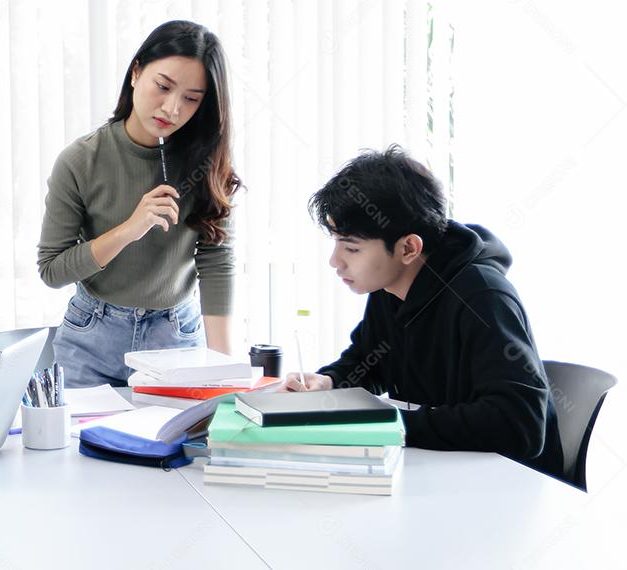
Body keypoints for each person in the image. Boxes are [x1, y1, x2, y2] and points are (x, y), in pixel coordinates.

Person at [282, 145, 563, 477]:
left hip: (509, 481)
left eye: (351, 248)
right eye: (336, 243)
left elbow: (519, 424)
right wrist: (330, 382)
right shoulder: (390, 287)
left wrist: (389, 423)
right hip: (446, 470)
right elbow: (370, 362)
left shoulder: (483, 298)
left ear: (409, 248)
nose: (335, 261)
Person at [37, 20, 242, 388]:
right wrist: (129, 230)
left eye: (191, 98)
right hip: (91, 340)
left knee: (190, 428)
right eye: (163, 86)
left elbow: (216, 260)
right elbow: (52, 270)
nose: (172, 108)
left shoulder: (207, 164)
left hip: (176, 340)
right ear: (136, 73)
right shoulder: (80, 160)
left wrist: (225, 371)